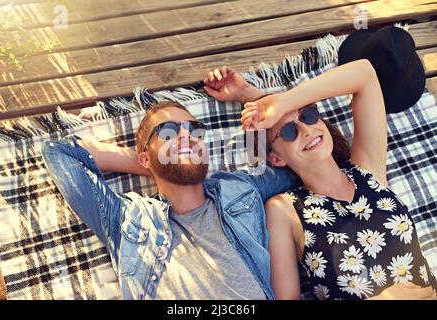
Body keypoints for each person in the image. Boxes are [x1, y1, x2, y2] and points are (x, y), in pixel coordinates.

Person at [204, 62, 437, 300]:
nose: (306, 130)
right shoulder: (284, 210)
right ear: (276, 158)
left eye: (309, 115)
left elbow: (365, 74)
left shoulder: (368, 171)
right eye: (288, 132)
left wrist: (285, 101)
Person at [41, 96, 298, 299]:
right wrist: (156, 163)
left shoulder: (240, 187)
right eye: (168, 132)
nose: (186, 136)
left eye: (193, 131)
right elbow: (60, 152)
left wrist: (253, 98)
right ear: (144, 158)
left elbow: (308, 161)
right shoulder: (124, 219)